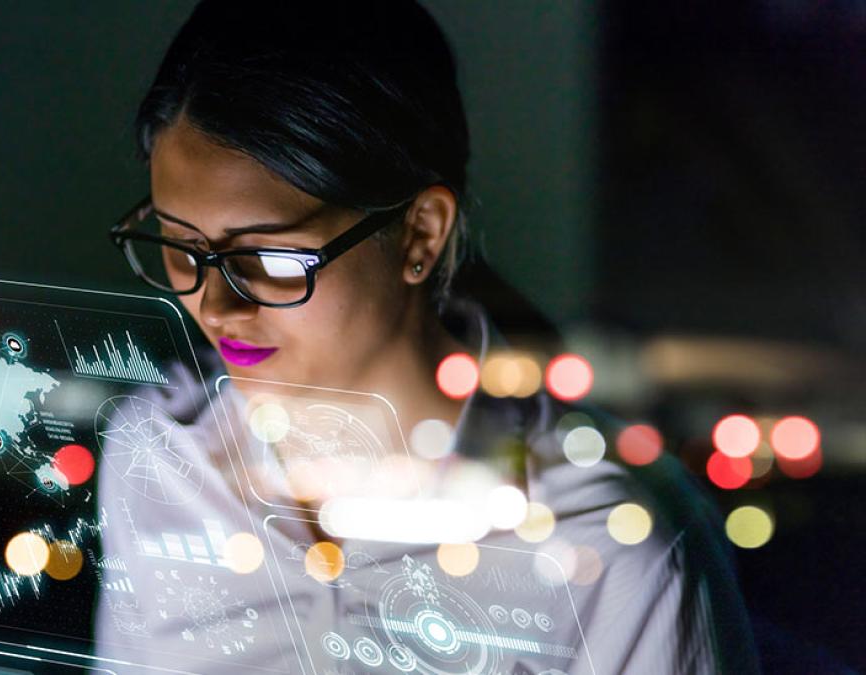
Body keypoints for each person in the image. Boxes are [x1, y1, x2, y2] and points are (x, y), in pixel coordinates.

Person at [94, 1, 760, 673]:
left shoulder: (611, 548)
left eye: (270, 258)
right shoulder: (157, 461)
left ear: (419, 233)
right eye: (180, 248)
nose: (215, 305)